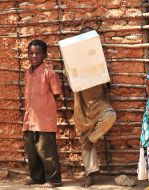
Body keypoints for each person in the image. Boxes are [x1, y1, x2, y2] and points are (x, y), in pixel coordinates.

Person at [67, 27, 116, 188]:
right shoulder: (71, 60)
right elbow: (71, 80)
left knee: (110, 116)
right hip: (82, 106)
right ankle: (91, 174)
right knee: (85, 141)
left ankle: (92, 138)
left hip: (99, 104)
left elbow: (107, 84)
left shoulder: (98, 59)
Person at [23, 39, 62, 188]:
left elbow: (56, 93)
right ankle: (37, 177)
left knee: (47, 152)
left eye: (37, 54)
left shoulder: (48, 73)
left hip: (44, 119)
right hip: (29, 119)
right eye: (31, 53)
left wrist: (45, 105)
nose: (34, 56)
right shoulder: (28, 73)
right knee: (32, 151)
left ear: (44, 55)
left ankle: (54, 179)